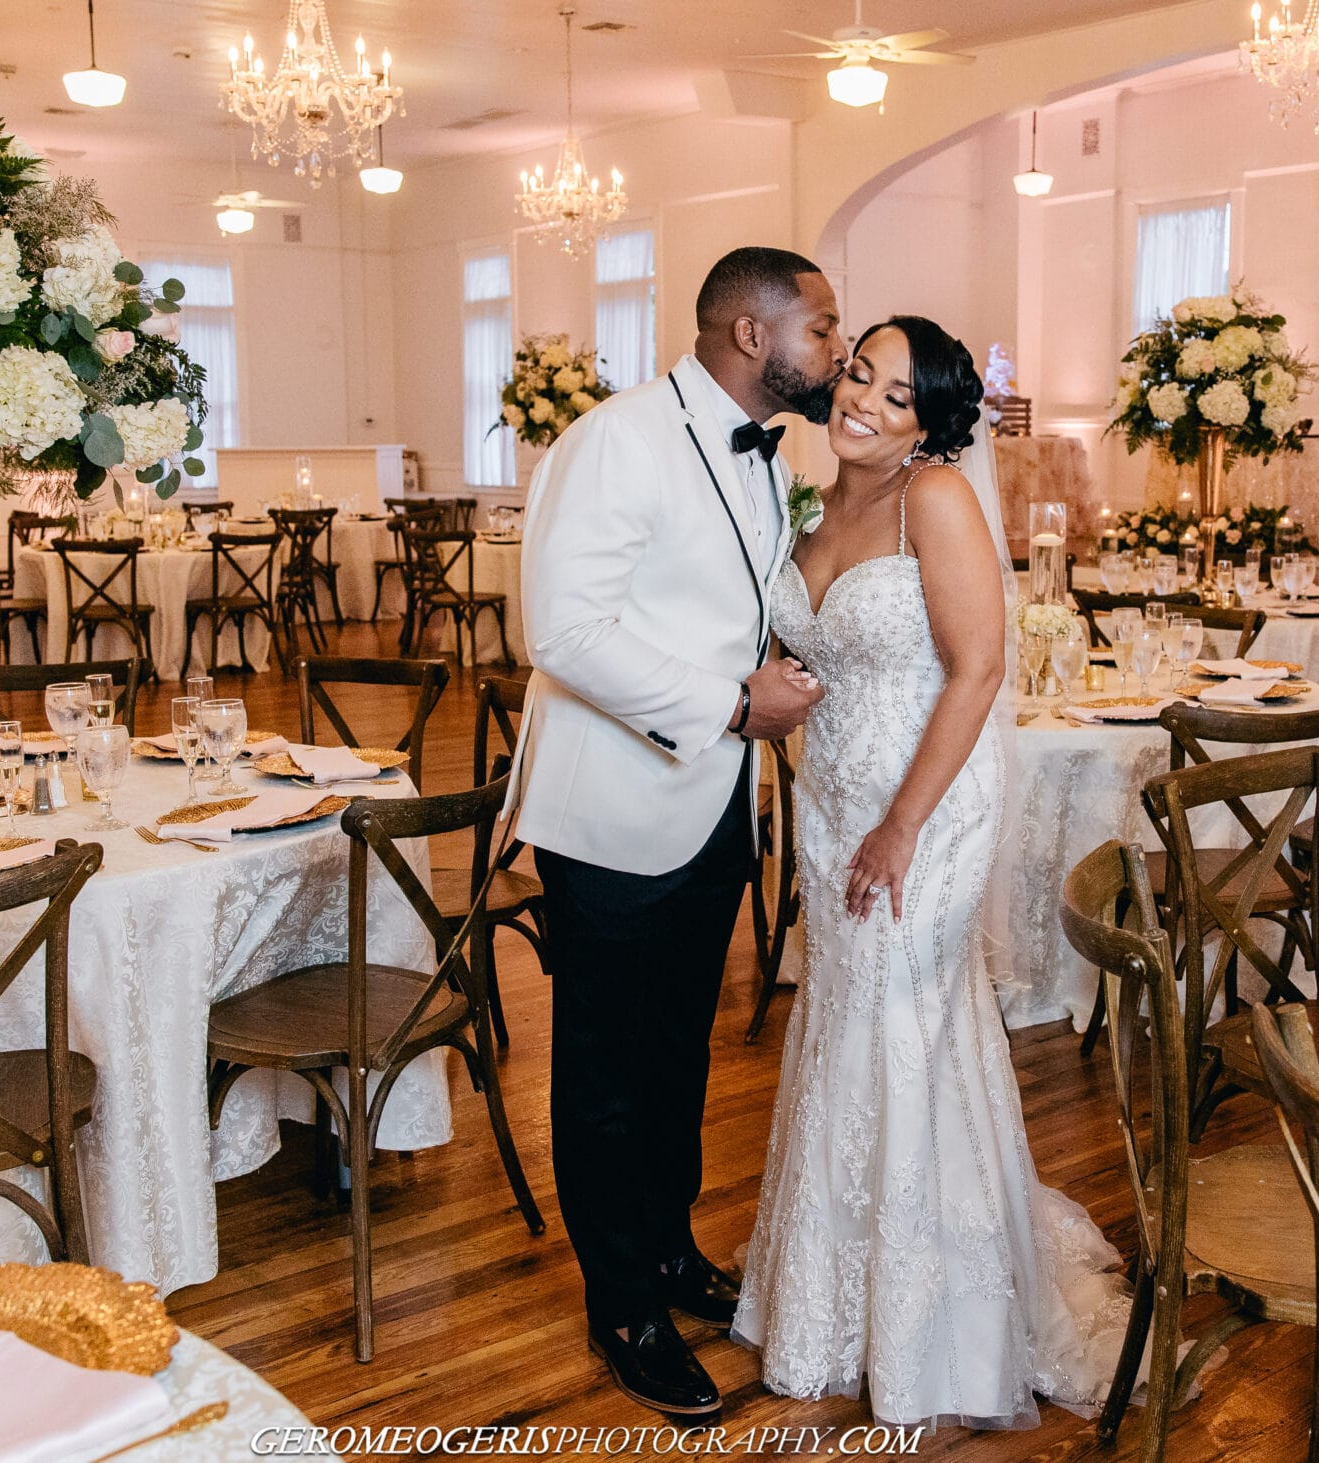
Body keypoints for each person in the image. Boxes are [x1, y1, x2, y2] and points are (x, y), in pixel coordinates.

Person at [732, 316, 1130, 1428]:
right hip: (833, 801)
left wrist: (904, 822)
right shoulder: (814, 504)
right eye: (858, 372)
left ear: (929, 421)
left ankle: (927, 1321)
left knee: (902, 1024)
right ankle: (837, 1284)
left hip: (925, 806)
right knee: (844, 1023)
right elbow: (813, 652)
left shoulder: (935, 498)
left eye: (896, 394)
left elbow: (978, 666)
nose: (863, 399)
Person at [513, 246, 846, 1417]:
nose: (836, 348)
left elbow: (716, 607)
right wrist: (724, 704)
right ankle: (622, 1308)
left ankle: (665, 1249)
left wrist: (775, 668)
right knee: (606, 1071)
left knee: (678, 1052)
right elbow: (563, 628)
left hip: (712, 802)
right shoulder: (615, 440)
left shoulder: (762, 452)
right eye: (821, 324)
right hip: (611, 808)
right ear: (750, 336)